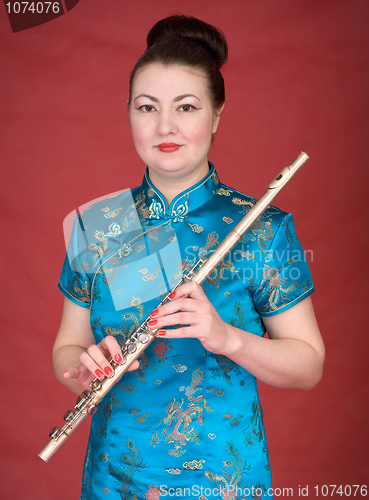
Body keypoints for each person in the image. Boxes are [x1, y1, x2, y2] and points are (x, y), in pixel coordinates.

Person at [52, 14, 325, 500]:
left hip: (223, 480)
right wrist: (84, 368)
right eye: (146, 107)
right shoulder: (96, 223)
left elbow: (308, 366)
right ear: (129, 113)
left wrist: (227, 338)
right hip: (113, 478)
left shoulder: (264, 227)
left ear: (217, 114)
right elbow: (66, 350)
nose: (165, 126)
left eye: (186, 106)